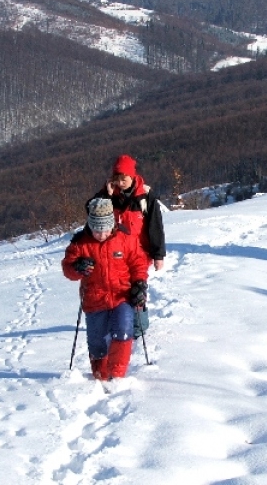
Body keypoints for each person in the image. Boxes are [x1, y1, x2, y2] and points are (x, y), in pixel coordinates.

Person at [62, 197, 150, 381]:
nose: (101, 234)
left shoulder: (125, 238)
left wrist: (140, 283)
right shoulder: (80, 243)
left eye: (105, 229)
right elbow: (68, 269)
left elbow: (138, 262)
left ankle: (117, 375)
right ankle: (100, 376)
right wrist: (77, 268)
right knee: (97, 341)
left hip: (122, 295)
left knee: (124, 330)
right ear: (90, 225)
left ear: (112, 224)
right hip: (94, 299)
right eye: (96, 230)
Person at [89, 154, 166, 270]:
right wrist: (106, 194)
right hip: (115, 254)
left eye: (123, 180)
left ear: (132, 176)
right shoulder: (110, 194)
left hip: (140, 254)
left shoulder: (145, 196)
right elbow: (90, 210)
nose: (120, 183)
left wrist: (158, 256)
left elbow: (155, 226)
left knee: (136, 286)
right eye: (117, 180)